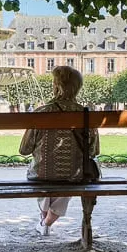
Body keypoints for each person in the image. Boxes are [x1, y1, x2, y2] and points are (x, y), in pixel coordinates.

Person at [19, 65, 99, 236]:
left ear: (55, 85)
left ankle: (44, 221)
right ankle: (47, 222)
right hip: (74, 176)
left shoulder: (41, 112)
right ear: (77, 88)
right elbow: (93, 151)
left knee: (43, 171)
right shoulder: (86, 115)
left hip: (41, 175)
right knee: (71, 176)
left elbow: (24, 150)